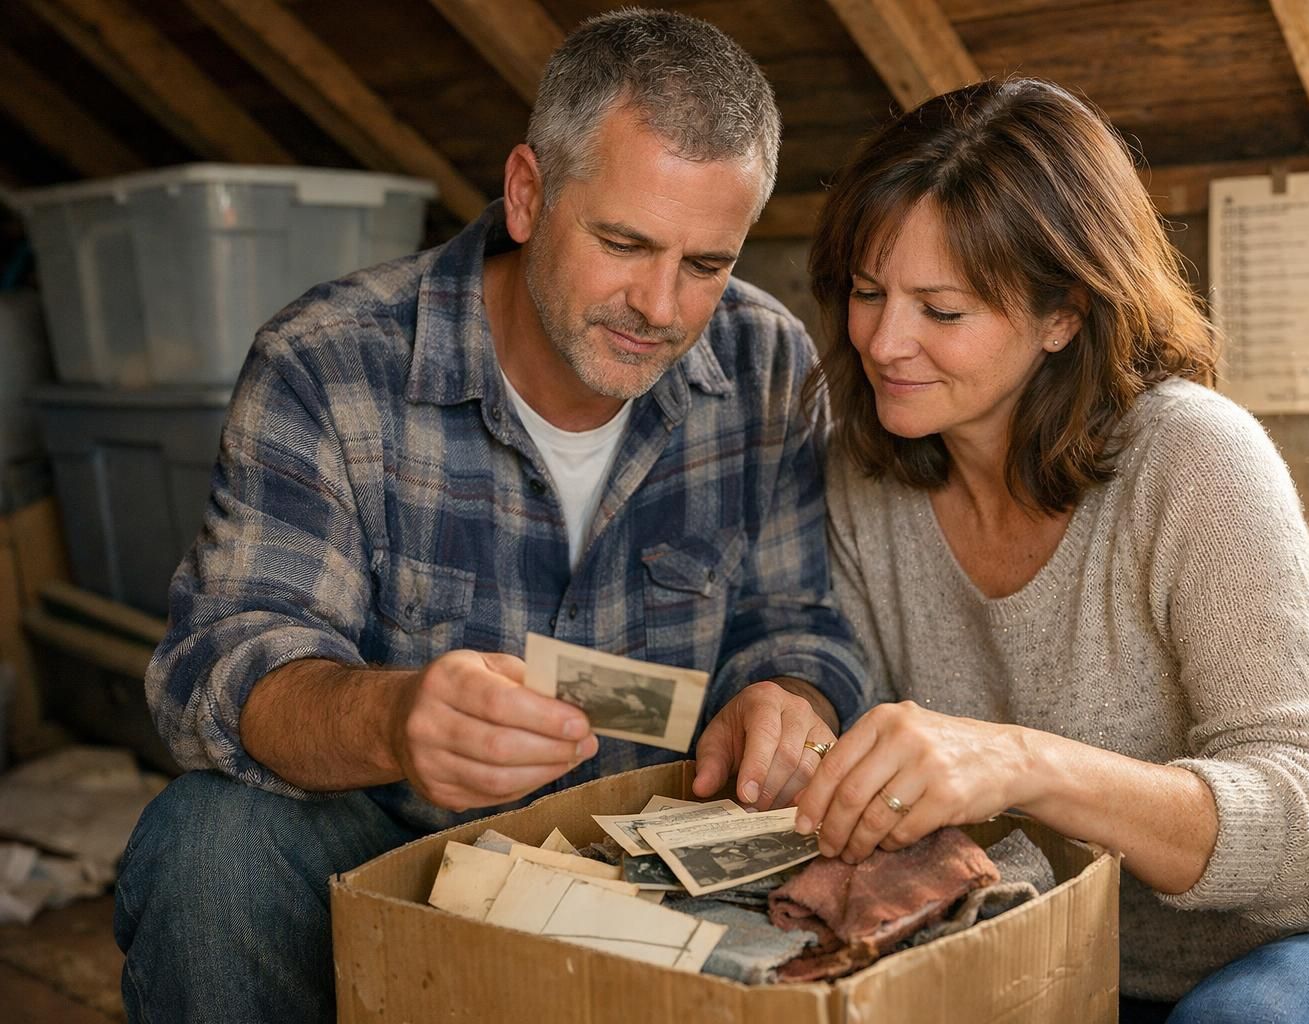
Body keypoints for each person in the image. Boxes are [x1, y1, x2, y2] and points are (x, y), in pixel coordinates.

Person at [116, 10, 863, 1022]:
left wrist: (789, 697)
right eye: (623, 242)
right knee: (209, 846)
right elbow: (224, 662)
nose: (660, 307)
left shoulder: (768, 365)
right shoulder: (329, 362)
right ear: (527, 194)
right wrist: (392, 720)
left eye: (706, 264)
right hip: (392, 851)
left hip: (648, 868)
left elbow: (799, 623)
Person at [789, 79, 1309, 1023]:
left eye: (944, 310)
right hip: (1078, 958)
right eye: (870, 293)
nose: (886, 342)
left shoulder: (1195, 456)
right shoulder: (862, 475)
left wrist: (1022, 762)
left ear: (1064, 315)